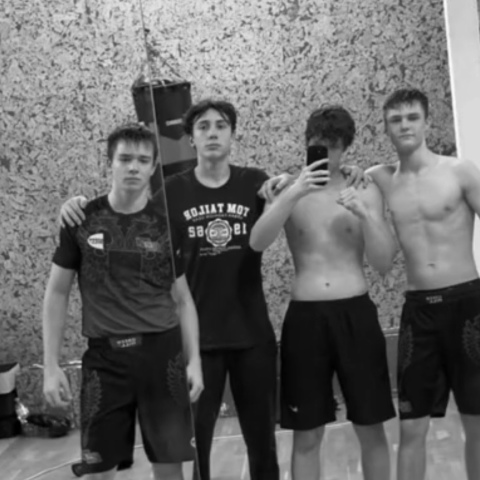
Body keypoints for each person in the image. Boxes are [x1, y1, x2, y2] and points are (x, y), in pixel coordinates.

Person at [59, 100, 365, 480]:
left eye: (221, 125)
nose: (213, 133)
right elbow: (131, 212)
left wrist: (346, 170)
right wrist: (78, 206)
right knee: (197, 445)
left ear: (233, 134)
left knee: (262, 443)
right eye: (203, 127)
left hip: (252, 336)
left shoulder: (256, 182)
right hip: (197, 342)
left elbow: (295, 191)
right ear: (191, 139)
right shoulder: (171, 191)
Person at [42, 124, 203, 480]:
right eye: (125, 158)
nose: (133, 167)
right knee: (99, 471)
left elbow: (183, 299)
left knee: (170, 468)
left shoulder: (168, 225)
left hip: (163, 358)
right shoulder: (80, 220)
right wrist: (50, 366)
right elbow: (57, 293)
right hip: (105, 362)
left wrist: (194, 361)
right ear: (109, 163)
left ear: (153, 167)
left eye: (143, 160)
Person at [250, 105, 397, 480]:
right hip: (306, 317)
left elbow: (383, 262)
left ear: (345, 147)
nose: (324, 155)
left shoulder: (363, 188)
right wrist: (293, 192)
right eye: (317, 145)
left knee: (370, 427)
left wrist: (366, 215)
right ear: (306, 143)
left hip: (356, 314)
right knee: (307, 433)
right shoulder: (286, 188)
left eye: (332, 147)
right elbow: (258, 241)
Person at [366, 88, 480, 480]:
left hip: (468, 305)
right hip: (419, 311)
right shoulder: (380, 179)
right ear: (386, 128)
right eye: (396, 120)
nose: (405, 126)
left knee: (476, 420)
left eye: (412, 117)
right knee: (412, 426)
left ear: (426, 121)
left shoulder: (460, 172)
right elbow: (333, 175)